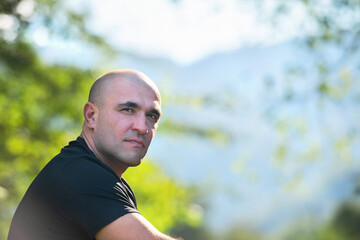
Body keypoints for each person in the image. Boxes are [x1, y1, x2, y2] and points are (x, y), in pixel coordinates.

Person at [8, 69, 183, 240]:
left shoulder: (90, 172)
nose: (142, 127)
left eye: (152, 116)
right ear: (91, 116)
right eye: (128, 110)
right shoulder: (81, 175)